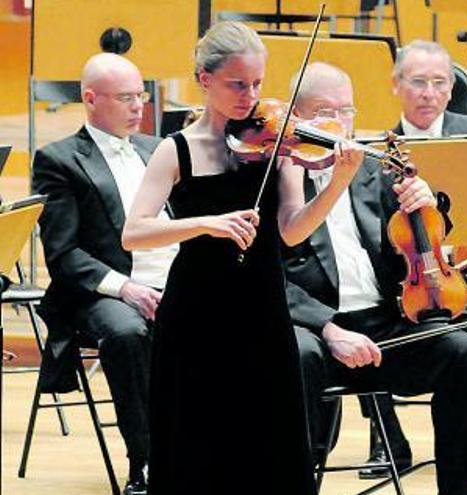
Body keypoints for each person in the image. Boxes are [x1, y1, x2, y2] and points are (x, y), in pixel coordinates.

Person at [120, 22, 361, 494]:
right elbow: (134, 233)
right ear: (204, 79)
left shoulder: (273, 144)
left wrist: (337, 183)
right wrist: (206, 224)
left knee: (268, 444)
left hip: (262, 311)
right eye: (236, 83)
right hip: (195, 314)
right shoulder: (177, 150)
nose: (249, 96)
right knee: (197, 444)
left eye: (256, 83)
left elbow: (292, 230)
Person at [285, 62, 467, 495]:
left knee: (465, 353)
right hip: (316, 331)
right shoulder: (275, 178)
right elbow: (264, 276)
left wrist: (429, 204)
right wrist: (329, 330)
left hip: (383, 325)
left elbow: (410, 246)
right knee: (296, 354)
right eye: (324, 111)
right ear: (297, 118)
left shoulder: (374, 169)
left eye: (346, 111)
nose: (338, 124)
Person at [32, 52, 172, 495]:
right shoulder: (59, 160)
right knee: (128, 333)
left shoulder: (157, 148)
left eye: (142, 96)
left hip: (174, 280)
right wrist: (126, 288)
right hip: (104, 293)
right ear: (91, 100)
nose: (138, 107)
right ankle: (146, 461)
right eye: (126, 98)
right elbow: (63, 252)